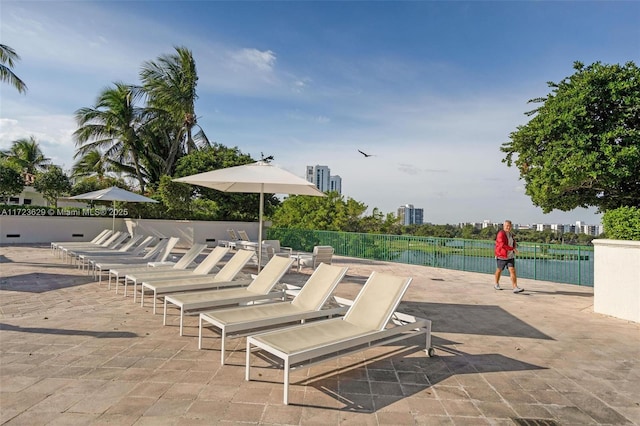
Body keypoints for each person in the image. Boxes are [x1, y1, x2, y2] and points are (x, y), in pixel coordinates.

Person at [494, 220, 524, 293]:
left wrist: (514, 248)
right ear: (504, 226)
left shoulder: (510, 234)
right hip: (502, 255)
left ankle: (515, 287)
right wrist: (512, 249)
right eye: (507, 226)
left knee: (512, 270)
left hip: (510, 256)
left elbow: (512, 243)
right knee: (499, 270)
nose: (508, 227)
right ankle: (496, 283)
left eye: (510, 226)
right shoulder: (501, 234)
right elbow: (502, 245)